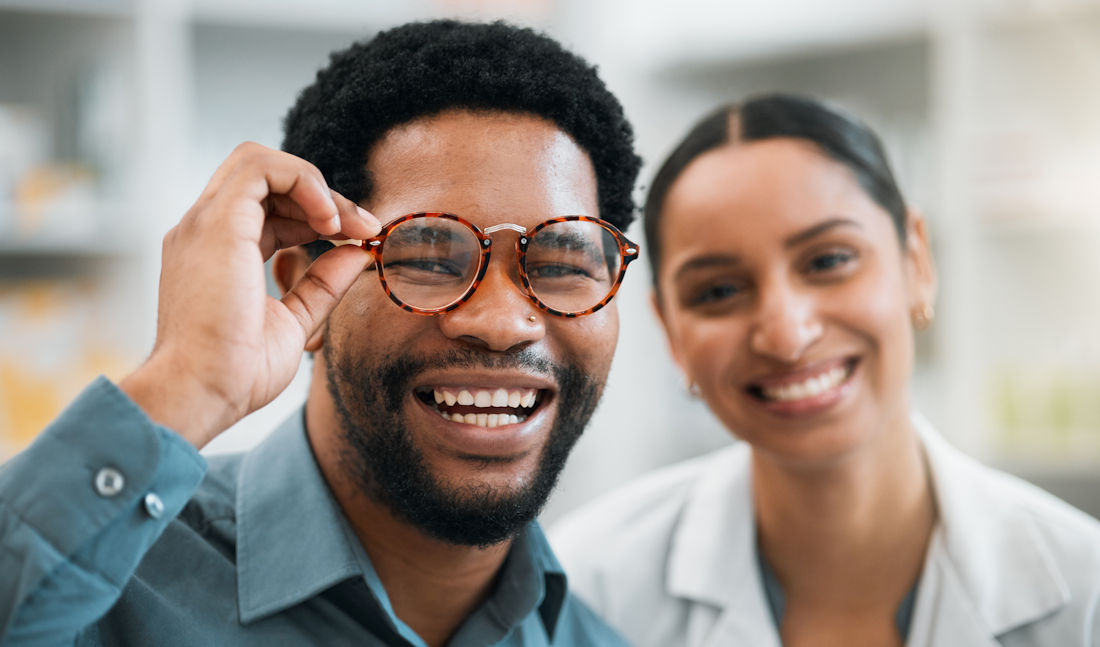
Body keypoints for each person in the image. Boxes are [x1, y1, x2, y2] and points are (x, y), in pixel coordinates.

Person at [0, 20, 643, 647]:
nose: (502, 323)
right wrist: (185, 384)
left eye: (560, 264)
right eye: (424, 256)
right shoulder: (101, 592)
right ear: (298, 288)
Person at [551, 94, 1100, 647]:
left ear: (917, 264)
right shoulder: (586, 592)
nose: (787, 336)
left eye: (828, 260)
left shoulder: (1085, 592)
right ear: (670, 332)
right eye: (718, 291)